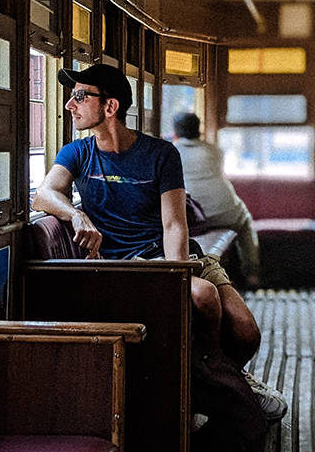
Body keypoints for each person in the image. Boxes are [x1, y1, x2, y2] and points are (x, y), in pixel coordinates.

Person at [32, 64, 286, 424]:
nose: (70, 105)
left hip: (173, 255)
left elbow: (173, 223)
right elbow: (43, 195)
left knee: (246, 332)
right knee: (203, 297)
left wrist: (176, 275)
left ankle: (216, 377)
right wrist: (76, 215)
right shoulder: (77, 153)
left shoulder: (161, 154)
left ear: (110, 106)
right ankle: (217, 386)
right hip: (125, 264)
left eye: (79, 95)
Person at [173, 112, 261, 288]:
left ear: (176, 133)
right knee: (245, 223)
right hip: (226, 212)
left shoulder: (170, 151)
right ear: (199, 132)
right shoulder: (215, 151)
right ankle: (252, 275)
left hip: (192, 215)